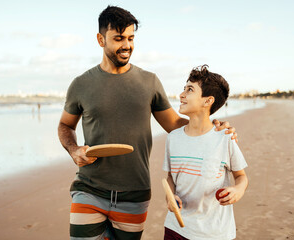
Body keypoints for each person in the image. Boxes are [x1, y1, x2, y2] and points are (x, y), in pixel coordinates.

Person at [58, 6, 237, 240]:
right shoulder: (81, 84)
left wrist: (213, 128)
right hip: (89, 188)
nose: (127, 45)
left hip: (134, 193)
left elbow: (174, 123)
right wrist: (73, 149)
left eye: (131, 38)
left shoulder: (149, 82)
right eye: (119, 38)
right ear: (101, 39)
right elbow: (65, 125)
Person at [163, 65, 248, 240]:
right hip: (175, 227)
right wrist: (170, 196)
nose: (181, 95)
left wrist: (238, 190)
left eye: (190, 90)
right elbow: (171, 177)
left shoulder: (224, 137)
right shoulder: (173, 138)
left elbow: (242, 176)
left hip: (214, 233)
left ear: (207, 101)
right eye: (184, 88)